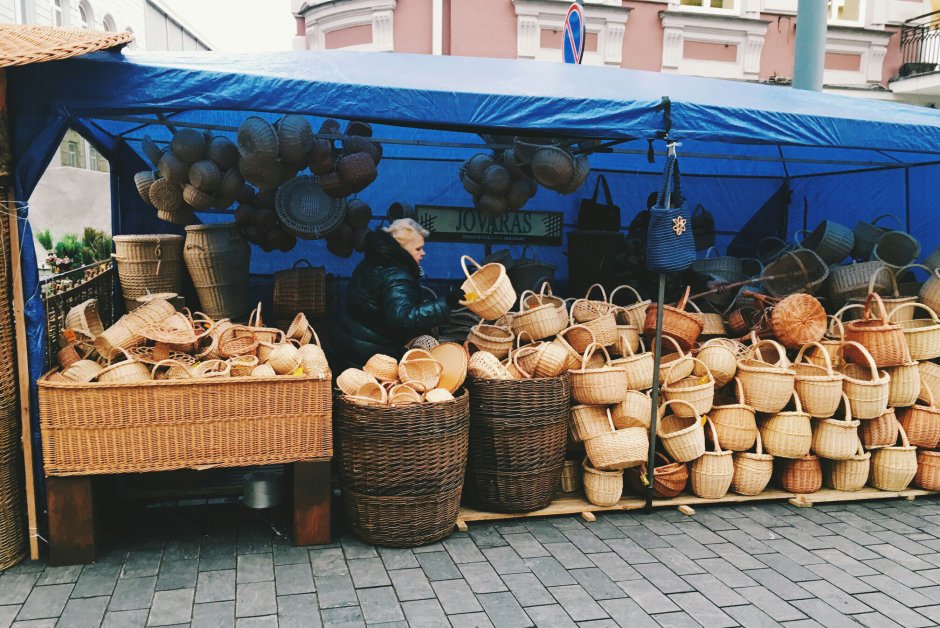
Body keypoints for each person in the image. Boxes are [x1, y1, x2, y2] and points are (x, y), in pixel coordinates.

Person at [330, 218, 461, 370]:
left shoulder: (372, 261)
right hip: (369, 354)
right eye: (418, 249)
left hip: (345, 338)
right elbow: (405, 320)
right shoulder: (397, 277)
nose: (423, 253)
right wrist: (445, 304)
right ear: (402, 250)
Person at [613, 192, 728, 304]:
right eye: (670, 215)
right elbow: (627, 288)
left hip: (674, 308)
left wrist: (707, 283)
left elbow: (685, 272)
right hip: (647, 313)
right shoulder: (633, 245)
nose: (675, 220)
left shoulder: (672, 240)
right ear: (657, 214)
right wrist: (651, 307)